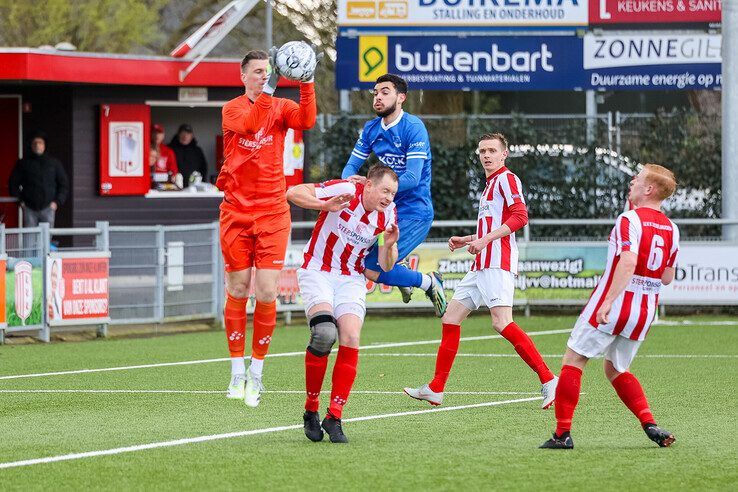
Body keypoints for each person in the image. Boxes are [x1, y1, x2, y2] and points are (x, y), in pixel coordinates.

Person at [404, 133, 558, 409]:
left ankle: (549, 379)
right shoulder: (489, 186)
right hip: (481, 263)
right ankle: (436, 388)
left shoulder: (507, 179)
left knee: (501, 322)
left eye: (492, 151)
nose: (486, 155)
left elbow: (520, 216)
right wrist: (468, 239)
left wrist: (485, 241)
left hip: (497, 262)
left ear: (504, 154)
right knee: (450, 317)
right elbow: (492, 226)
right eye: (482, 151)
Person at [540, 164, 680, 450]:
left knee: (574, 360)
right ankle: (650, 424)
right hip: (644, 312)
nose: (633, 181)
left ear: (649, 189)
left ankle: (562, 434)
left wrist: (607, 301)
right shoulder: (672, 229)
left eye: (638, 179)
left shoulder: (629, 219)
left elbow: (628, 261)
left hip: (615, 305)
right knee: (616, 369)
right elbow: (667, 277)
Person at [217, 47, 318, 407]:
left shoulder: (280, 106)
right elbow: (250, 126)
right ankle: (235, 371)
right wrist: (271, 90)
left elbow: (306, 120)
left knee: (266, 291)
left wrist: (306, 82)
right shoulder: (232, 108)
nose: (263, 76)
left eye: (267, 71)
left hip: (273, 211)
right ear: (243, 76)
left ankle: (257, 374)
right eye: (257, 71)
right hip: (236, 211)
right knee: (238, 287)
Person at [286, 164, 399, 444]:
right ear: (369, 186)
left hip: (351, 278)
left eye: (393, 193)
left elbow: (385, 265)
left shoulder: (388, 214)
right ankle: (310, 409)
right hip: (318, 270)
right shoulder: (346, 189)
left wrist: (389, 246)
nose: (388, 197)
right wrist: (324, 205)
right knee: (324, 334)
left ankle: (334, 415)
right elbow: (293, 192)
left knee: (350, 336)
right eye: (385, 190)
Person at [341, 73, 446, 317]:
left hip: (414, 212)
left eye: (384, 92)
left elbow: (413, 178)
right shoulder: (371, 129)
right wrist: (350, 183)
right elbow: (349, 169)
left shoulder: (413, 128)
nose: (378, 97)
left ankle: (430, 282)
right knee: (359, 260)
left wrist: (374, 187)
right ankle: (402, 274)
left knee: (372, 269)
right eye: (376, 92)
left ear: (401, 98)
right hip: (387, 210)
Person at [9, 131, 69, 227]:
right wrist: (20, 202)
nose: (37, 145)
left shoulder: (54, 163)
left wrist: (57, 202)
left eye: (40, 143)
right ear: (31, 146)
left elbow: (63, 185)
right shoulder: (23, 163)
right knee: (30, 238)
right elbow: (13, 183)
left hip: (49, 207)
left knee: (46, 238)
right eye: (35, 143)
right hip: (29, 208)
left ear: (44, 146)